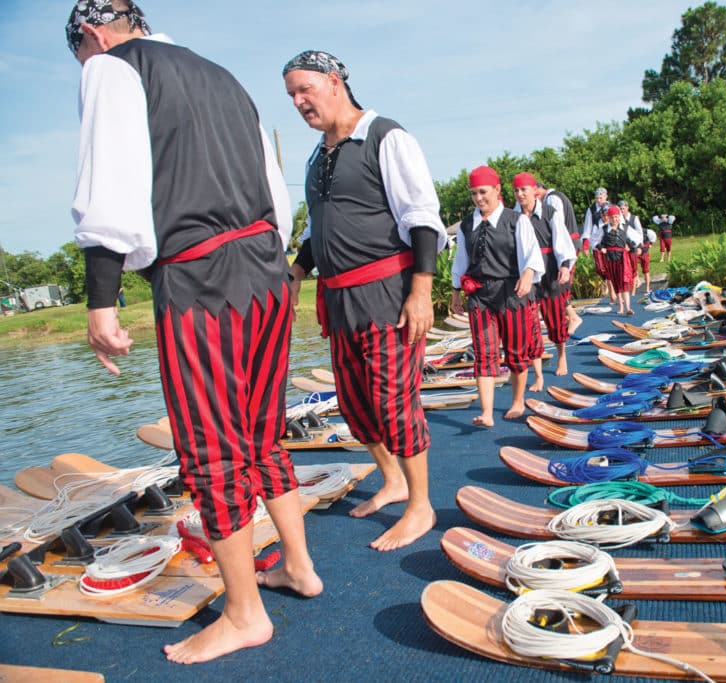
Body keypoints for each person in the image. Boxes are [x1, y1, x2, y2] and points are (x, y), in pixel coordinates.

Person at [66, 1, 320, 664]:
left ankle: (243, 613)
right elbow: (277, 189)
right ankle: (299, 565)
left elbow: (109, 177)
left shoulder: (114, 67)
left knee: (212, 447)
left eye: (80, 59)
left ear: (93, 35)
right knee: (262, 430)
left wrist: (103, 298)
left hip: (203, 278)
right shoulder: (221, 73)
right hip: (266, 267)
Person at [283, 51, 447, 553]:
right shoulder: (317, 155)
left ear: (334, 82)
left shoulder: (385, 136)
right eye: (291, 95)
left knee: (393, 400)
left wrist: (422, 290)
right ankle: (392, 479)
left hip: (386, 291)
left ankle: (420, 505)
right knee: (355, 406)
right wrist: (295, 273)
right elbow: (315, 231)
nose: (298, 102)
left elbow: (421, 216)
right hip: (338, 300)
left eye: (305, 89)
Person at [450, 166, 543, 426]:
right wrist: (456, 291)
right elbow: (461, 260)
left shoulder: (516, 220)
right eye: (474, 193)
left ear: (497, 190)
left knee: (515, 352)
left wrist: (527, 274)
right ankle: (487, 412)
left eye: (483, 192)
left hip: (511, 293)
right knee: (484, 353)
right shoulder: (467, 225)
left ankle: (517, 401)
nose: (479, 198)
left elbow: (532, 254)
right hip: (479, 294)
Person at [512, 173, 576, 387]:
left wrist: (565, 266)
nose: (520, 194)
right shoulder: (512, 217)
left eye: (524, 190)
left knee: (555, 319)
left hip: (549, 270)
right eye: (517, 190)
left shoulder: (550, 213)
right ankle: (538, 375)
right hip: (526, 275)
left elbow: (562, 241)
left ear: (534, 191)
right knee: (530, 324)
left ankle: (561, 355)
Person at [537, 182, 583, 336]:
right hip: (569, 243)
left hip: (565, 246)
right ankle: (569, 317)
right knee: (559, 285)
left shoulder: (551, 200)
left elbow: (557, 225)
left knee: (560, 284)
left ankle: (572, 317)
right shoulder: (557, 196)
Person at [596, 206, 636, 315]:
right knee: (616, 282)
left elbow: (636, 239)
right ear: (608, 218)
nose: (615, 219)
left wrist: (631, 247)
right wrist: (601, 248)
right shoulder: (604, 229)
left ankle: (628, 308)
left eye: (617, 217)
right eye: (612, 217)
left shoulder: (625, 228)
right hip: (610, 259)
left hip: (622, 259)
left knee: (625, 282)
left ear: (619, 217)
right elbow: (595, 241)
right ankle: (621, 307)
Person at [618, 200, 643, 295]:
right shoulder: (618, 219)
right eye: (620, 209)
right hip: (623, 248)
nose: (621, 210)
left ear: (627, 208)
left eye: (623, 208)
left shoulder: (634, 218)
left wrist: (639, 246)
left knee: (634, 269)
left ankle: (633, 293)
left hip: (633, 247)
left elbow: (639, 232)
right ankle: (628, 291)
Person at [581, 187, 611, 253]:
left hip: (610, 243)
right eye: (597, 198)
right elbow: (587, 228)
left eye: (601, 198)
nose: (598, 200)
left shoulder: (612, 207)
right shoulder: (591, 210)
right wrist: (585, 245)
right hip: (596, 243)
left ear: (606, 196)